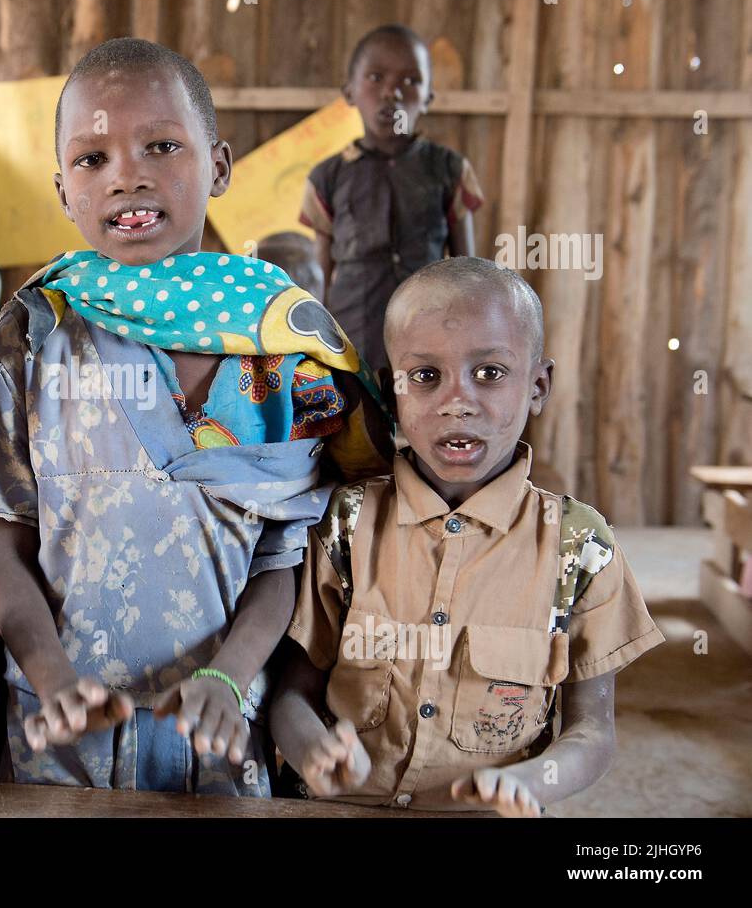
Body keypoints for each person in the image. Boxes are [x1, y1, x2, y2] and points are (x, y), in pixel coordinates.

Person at [0, 37, 392, 796]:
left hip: (217, 730)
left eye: (161, 144)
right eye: (93, 159)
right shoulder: (29, 343)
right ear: (63, 190)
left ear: (218, 167)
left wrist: (229, 673)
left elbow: (282, 563)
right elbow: (6, 551)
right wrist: (53, 680)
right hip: (59, 740)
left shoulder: (283, 347)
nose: (128, 174)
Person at [271, 257, 664, 815]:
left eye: (490, 373)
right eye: (426, 376)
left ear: (538, 386)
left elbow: (592, 732)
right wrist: (312, 752)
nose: (458, 401)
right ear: (391, 392)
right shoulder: (346, 523)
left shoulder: (579, 546)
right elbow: (292, 693)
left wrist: (533, 781)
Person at [300, 24, 484, 375]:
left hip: (430, 339)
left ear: (429, 97)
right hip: (350, 340)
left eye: (411, 81)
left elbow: (467, 273)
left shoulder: (449, 170)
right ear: (350, 92)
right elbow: (318, 279)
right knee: (357, 425)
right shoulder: (327, 177)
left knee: (420, 421)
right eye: (375, 77)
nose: (392, 93)